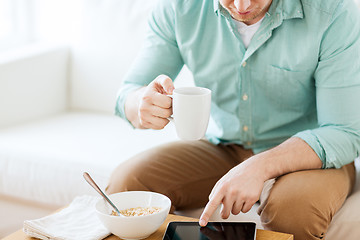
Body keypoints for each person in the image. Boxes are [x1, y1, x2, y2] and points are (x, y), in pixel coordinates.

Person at [106, 0, 360, 239]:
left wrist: (260, 167)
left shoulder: (334, 12)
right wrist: (141, 102)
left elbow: (344, 131)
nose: (241, 7)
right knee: (127, 186)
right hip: (223, 147)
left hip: (309, 157)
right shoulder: (179, 8)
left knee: (294, 209)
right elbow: (127, 94)